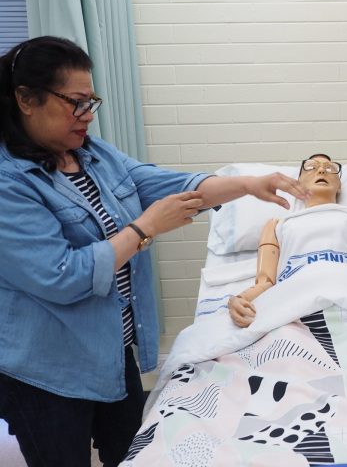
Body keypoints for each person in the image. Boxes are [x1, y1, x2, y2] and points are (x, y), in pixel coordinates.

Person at [0, 36, 309, 467]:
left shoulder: (92, 156)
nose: (88, 115)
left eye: (91, 102)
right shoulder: (10, 182)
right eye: (76, 103)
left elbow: (171, 185)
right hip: (48, 371)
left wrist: (248, 184)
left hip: (110, 349)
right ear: (26, 99)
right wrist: (145, 228)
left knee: (133, 453)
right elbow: (62, 276)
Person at [228, 154, 347, 327]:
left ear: (339, 185)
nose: (322, 170)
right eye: (311, 167)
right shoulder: (277, 225)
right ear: (298, 182)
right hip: (298, 304)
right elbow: (265, 282)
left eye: (330, 168)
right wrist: (241, 300)